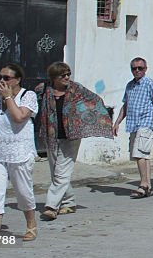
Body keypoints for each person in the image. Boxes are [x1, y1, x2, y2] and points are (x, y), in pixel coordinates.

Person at [34, 62, 113, 220]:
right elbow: (31, 105)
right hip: (51, 135)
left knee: (62, 173)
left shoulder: (76, 89)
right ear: (54, 77)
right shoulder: (43, 90)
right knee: (56, 173)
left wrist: (87, 118)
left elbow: (94, 100)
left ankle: (51, 206)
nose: (66, 77)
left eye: (68, 74)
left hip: (72, 135)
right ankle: (69, 202)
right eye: (63, 75)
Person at [0, 63, 39, 245]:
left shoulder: (28, 96)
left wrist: (9, 97)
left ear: (17, 80)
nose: (1, 81)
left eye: (6, 78)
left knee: (23, 192)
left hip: (19, 152)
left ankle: (31, 223)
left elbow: (19, 118)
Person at [111, 57, 153, 199]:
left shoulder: (150, 84)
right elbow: (126, 105)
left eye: (140, 68)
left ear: (145, 69)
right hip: (133, 123)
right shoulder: (130, 85)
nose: (137, 71)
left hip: (146, 122)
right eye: (134, 68)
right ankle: (147, 185)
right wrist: (117, 122)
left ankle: (143, 185)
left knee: (139, 153)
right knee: (143, 155)